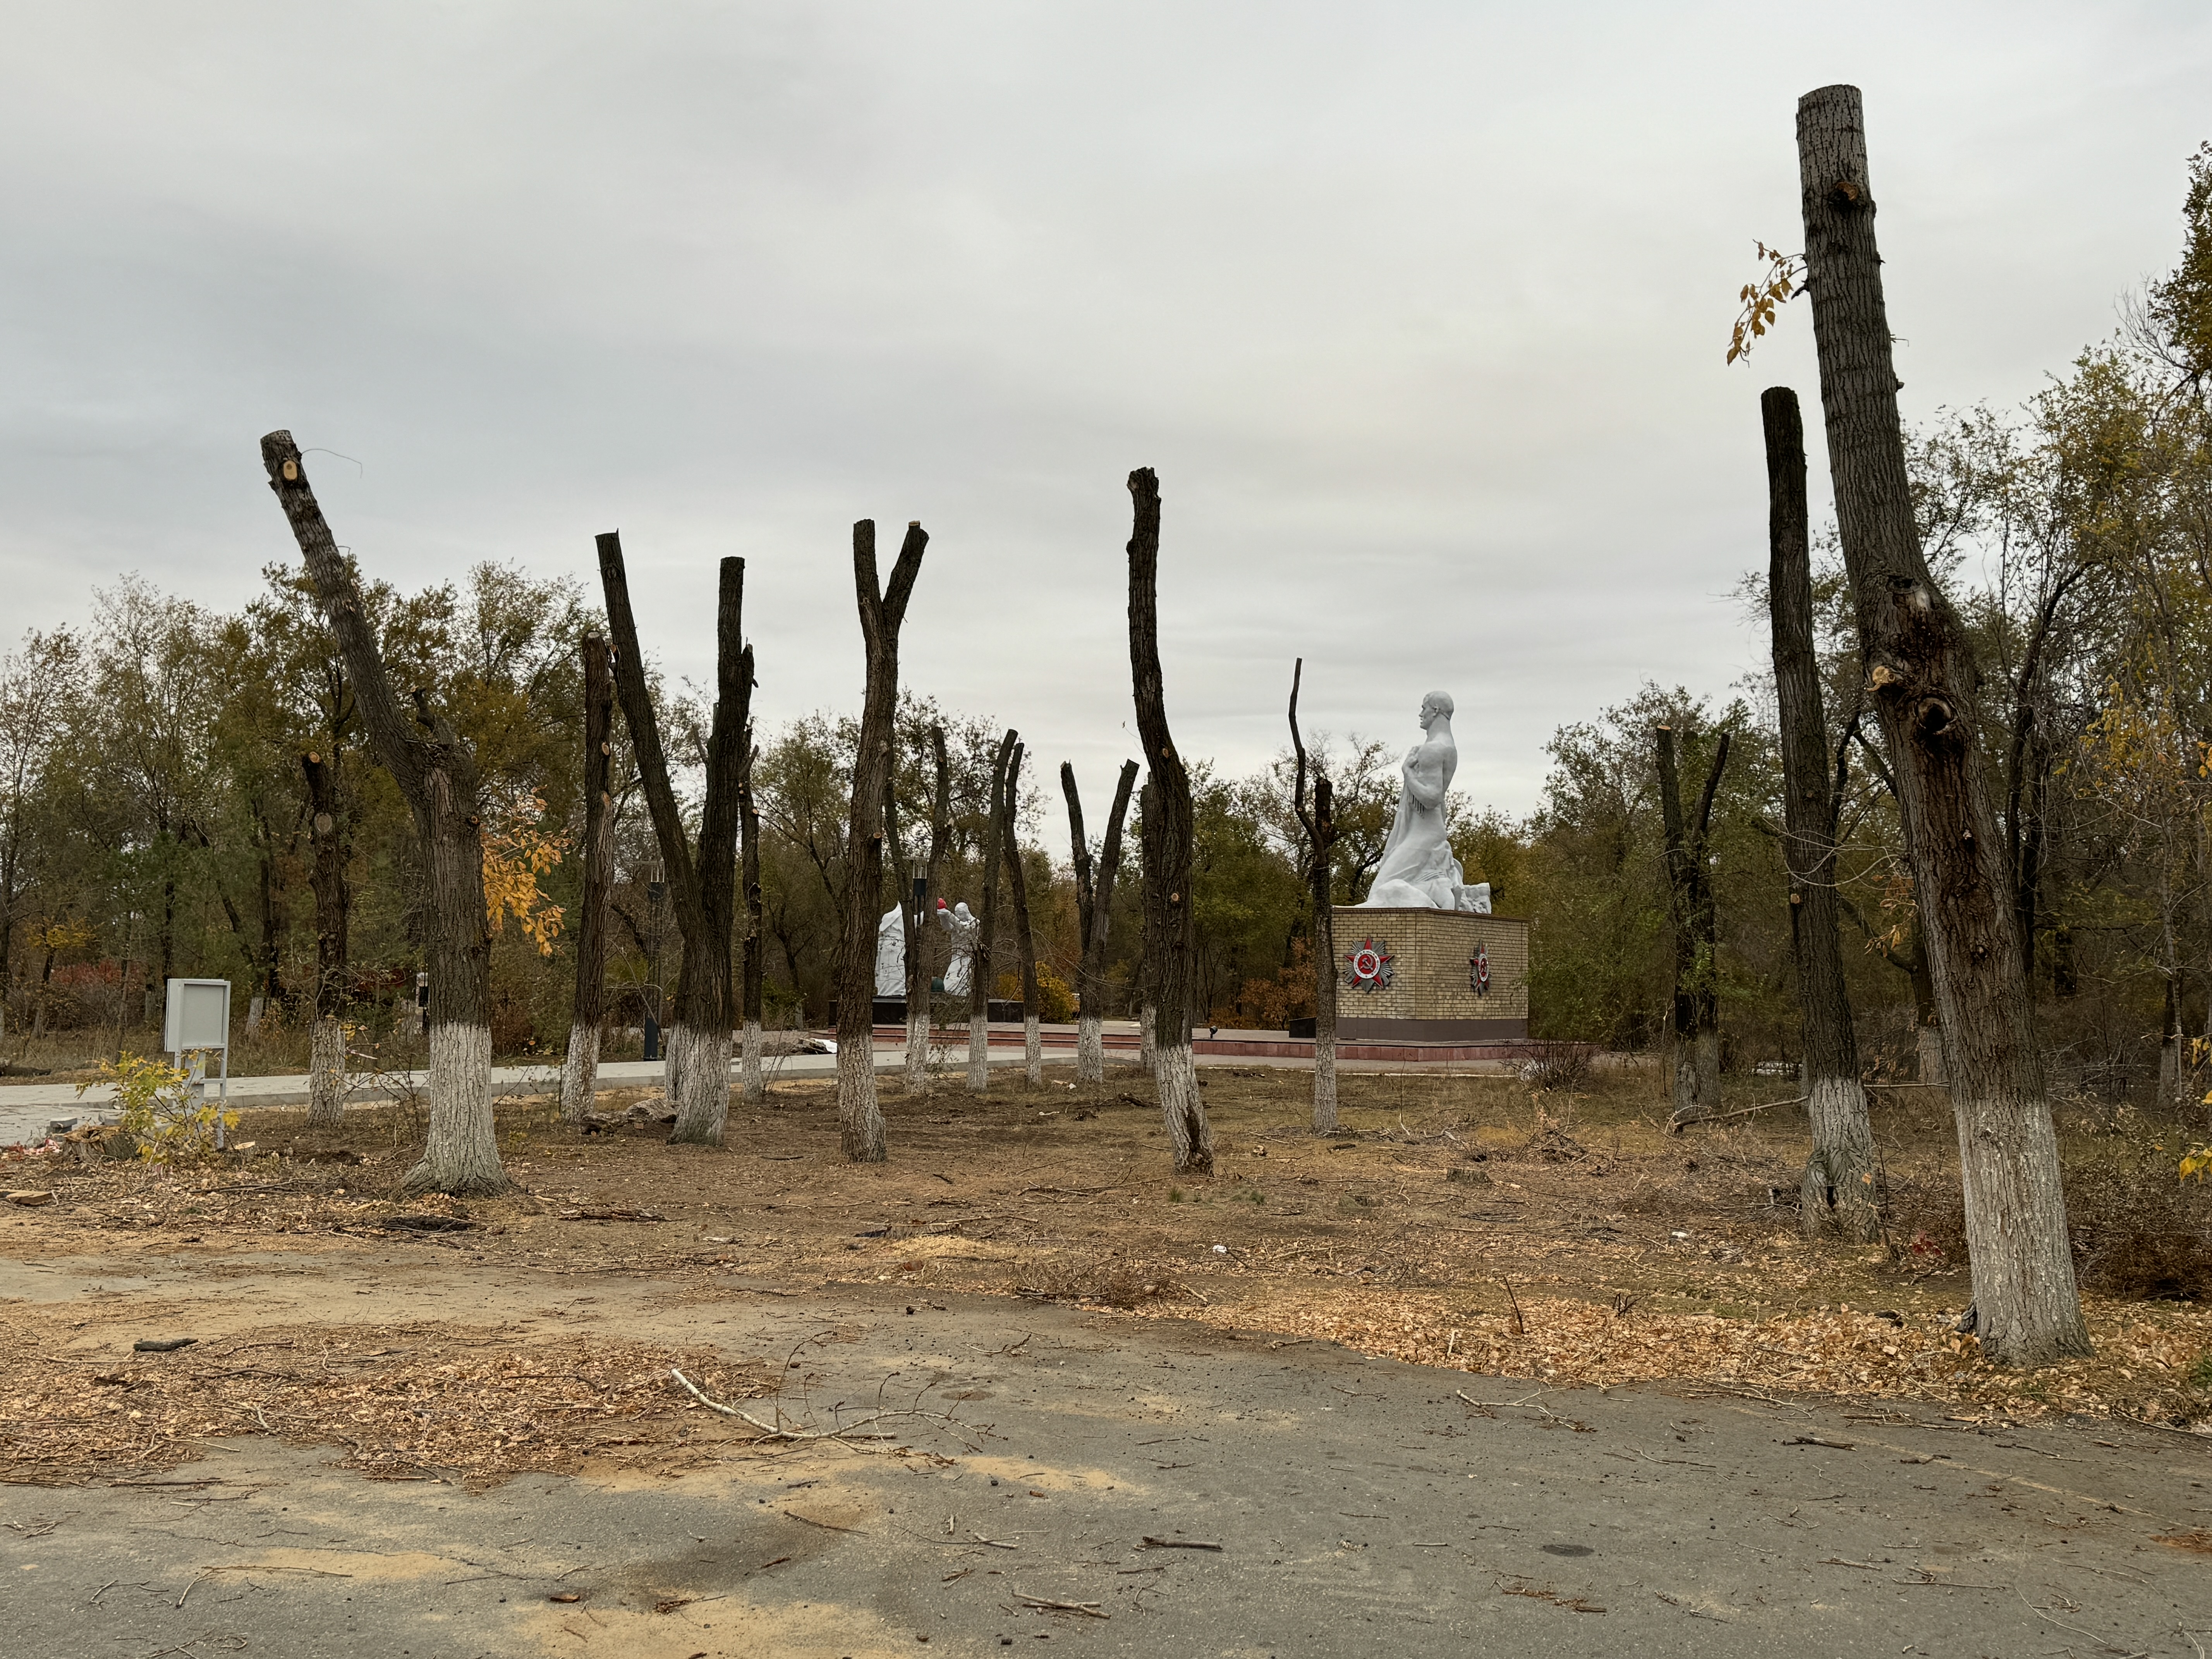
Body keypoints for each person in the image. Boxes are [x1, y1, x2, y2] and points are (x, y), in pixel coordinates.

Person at [1360, 691, 1465, 909]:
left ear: (1435, 710)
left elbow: (1432, 798)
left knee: (1379, 893)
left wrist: (1407, 772)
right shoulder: (1448, 746)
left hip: (1423, 834)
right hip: (1427, 830)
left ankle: (1438, 891)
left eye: (1424, 708)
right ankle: (1435, 886)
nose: (1421, 714)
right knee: (1388, 890)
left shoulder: (1434, 749)